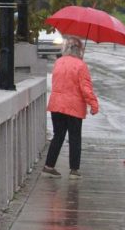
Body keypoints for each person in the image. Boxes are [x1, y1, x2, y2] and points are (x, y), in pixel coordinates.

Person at [42, 36, 99, 179]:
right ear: (80, 50)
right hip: (74, 107)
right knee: (74, 137)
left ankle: (49, 167)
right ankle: (74, 170)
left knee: (58, 136)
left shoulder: (58, 62)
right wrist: (93, 104)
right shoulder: (81, 65)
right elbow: (85, 88)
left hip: (57, 105)